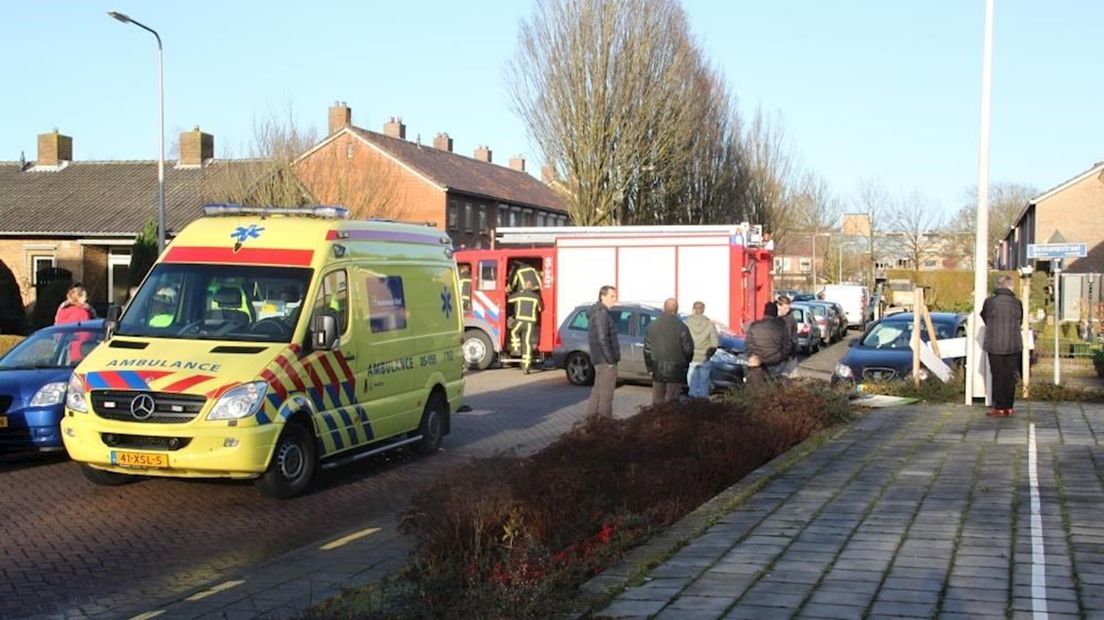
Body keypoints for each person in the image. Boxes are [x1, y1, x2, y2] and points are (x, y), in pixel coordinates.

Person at [981, 274, 1024, 417]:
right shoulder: (1017, 303)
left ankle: (999, 407)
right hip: (1014, 344)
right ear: (1011, 286)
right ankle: (1009, 407)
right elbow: (1021, 320)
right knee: (1010, 376)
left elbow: (984, 317)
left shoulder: (989, 302)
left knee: (998, 376)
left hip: (995, 344)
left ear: (997, 286)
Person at [644, 298, 695, 405]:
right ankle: (669, 421)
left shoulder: (653, 325)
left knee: (658, 401)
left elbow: (647, 349)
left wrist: (649, 367)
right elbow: (688, 349)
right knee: (672, 401)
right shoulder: (682, 327)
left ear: (663, 308)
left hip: (657, 367)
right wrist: (685, 364)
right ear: (676, 310)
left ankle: (657, 420)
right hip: (676, 368)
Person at [585, 285, 619, 419]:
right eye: (612, 296)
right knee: (606, 395)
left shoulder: (598, 313)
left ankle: (590, 421)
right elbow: (602, 338)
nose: (614, 300)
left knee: (598, 392)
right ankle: (606, 425)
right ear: (602, 297)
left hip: (600, 360)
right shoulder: (601, 314)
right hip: (605, 362)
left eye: (615, 296)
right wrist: (611, 360)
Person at [744, 301, 791, 386]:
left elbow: (749, 344)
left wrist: (755, 356)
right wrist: (783, 357)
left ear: (765, 312)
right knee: (776, 386)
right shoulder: (781, 326)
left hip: (759, 362)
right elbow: (787, 345)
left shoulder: (754, 326)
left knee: (760, 387)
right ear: (775, 313)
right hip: (777, 361)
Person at [685, 301, 719, 398]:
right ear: (703, 310)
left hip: (692, 357)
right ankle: (702, 404)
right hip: (704, 358)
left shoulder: (687, 323)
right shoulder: (709, 324)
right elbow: (715, 343)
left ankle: (692, 402)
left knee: (692, 383)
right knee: (704, 384)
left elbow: (683, 340)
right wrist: (708, 355)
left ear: (693, 309)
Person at [507, 281, 542, 373]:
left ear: (524, 287)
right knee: (527, 344)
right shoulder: (536, 297)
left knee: (514, 332)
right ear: (531, 287)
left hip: (520, 321)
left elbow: (509, 300)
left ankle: (516, 348)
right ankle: (526, 366)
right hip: (530, 323)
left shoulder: (519, 295)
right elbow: (540, 308)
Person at [776, 295, 799, 376]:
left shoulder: (790, 318)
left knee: (792, 379)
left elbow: (793, 335)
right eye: (785, 308)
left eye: (788, 308)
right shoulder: (774, 318)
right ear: (779, 306)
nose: (787, 310)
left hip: (789, 355)